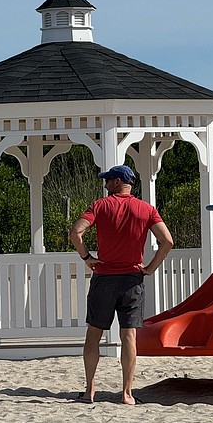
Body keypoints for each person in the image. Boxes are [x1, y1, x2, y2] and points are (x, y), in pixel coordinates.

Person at [70, 164, 174, 404]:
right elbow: (167, 241)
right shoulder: (146, 209)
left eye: (108, 180)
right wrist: (149, 268)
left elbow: (75, 232)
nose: (105, 184)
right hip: (132, 279)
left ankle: (89, 390)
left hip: (104, 277)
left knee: (94, 333)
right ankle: (127, 393)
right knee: (129, 335)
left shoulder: (100, 206)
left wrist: (87, 258)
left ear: (117, 181)